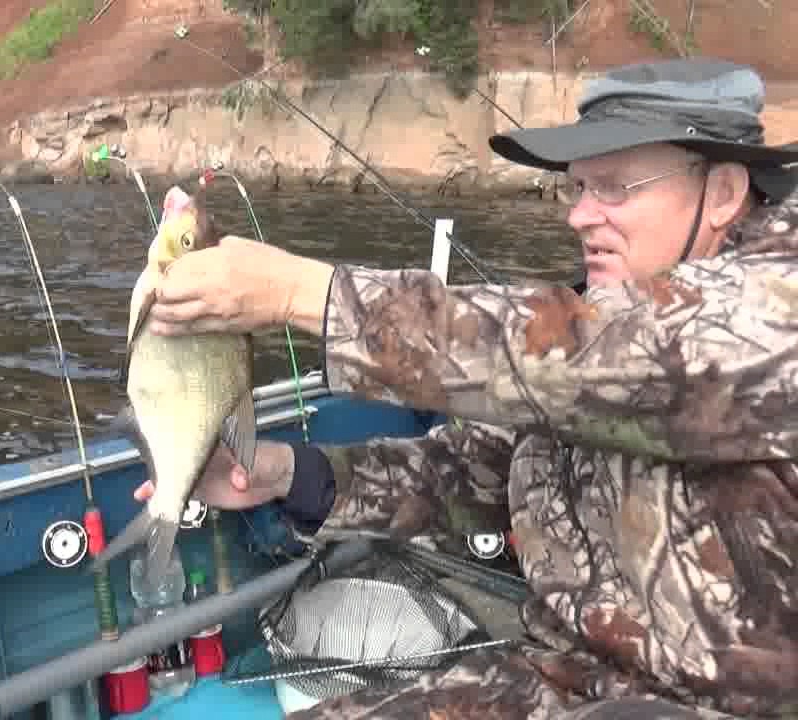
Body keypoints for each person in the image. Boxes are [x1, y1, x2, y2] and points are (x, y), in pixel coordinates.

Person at [133, 58, 798, 718]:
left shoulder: (775, 308)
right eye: (579, 188)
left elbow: (582, 352)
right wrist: (286, 474)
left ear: (724, 193)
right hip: (554, 684)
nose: (580, 217)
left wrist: (294, 292)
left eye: (617, 188)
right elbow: (484, 467)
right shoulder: (609, 324)